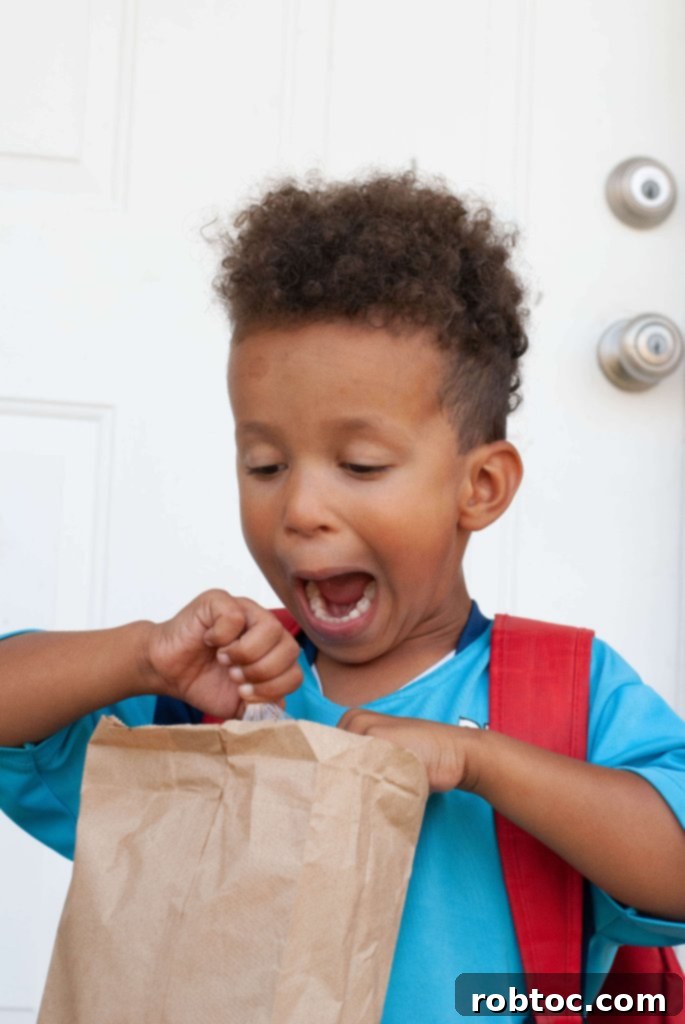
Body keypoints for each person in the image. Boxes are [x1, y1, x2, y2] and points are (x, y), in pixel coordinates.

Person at [1, 172, 684, 1023]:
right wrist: (141, 654)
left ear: (479, 486)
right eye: (264, 465)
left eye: (359, 466)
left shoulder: (563, 692)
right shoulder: (213, 698)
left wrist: (481, 763)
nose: (300, 510)